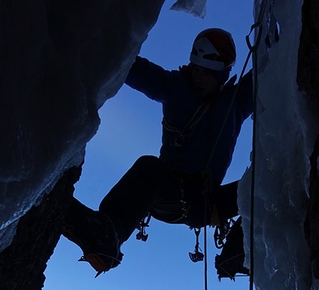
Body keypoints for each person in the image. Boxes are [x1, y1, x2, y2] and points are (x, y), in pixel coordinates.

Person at [64, 28, 253, 276]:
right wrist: (94, 33)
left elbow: (267, 72)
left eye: (207, 73)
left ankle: (240, 255)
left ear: (223, 75)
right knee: (149, 167)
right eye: (196, 70)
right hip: (172, 194)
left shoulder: (235, 104)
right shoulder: (174, 87)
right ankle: (106, 236)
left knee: (258, 184)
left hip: (208, 203)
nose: (199, 78)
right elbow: (130, 66)